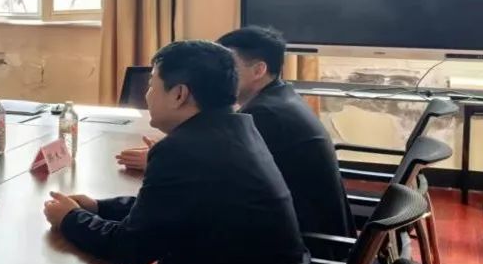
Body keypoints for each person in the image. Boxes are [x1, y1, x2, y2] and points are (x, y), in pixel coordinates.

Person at [44, 40, 318, 264]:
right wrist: (99, 207)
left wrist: (70, 219)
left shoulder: (184, 150)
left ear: (179, 94)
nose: (146, 96)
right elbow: (170, 206)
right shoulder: (234, 128)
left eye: (152, 85)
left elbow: (131, 247)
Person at [117, 27, 354, 240]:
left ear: (259, 70)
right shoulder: (277, 101)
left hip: (310, 244)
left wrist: (165, 161)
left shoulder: (266, 115)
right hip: (295, 236)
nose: (218, 72)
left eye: (229, 64)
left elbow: (139, 239)